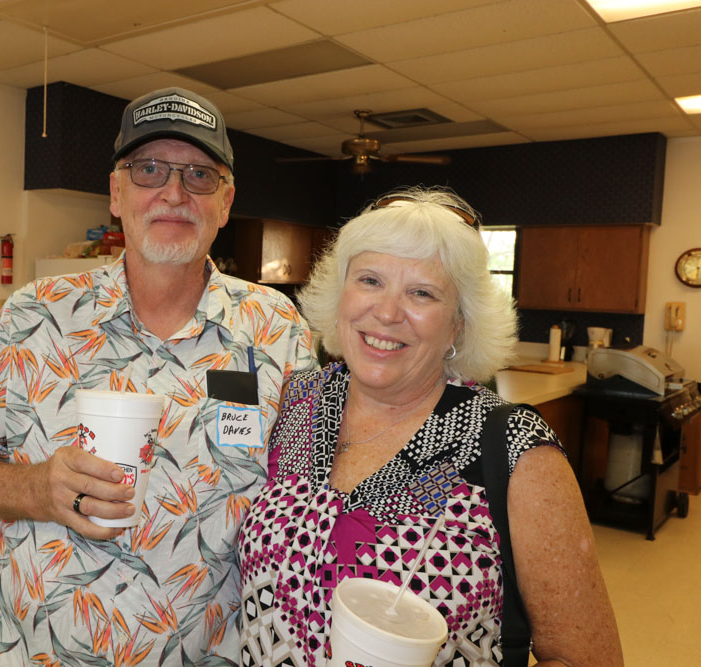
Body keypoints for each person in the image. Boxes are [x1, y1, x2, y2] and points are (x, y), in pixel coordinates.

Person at [0, 87, 318, 665]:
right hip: (39, 651)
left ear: (225, 202)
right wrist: (37, 489)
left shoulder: (276, 328)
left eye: (199, 175)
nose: (174, 193)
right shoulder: (35, 316)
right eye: (148, 169)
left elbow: (307, 494)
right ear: (116, 193)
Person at [237, 186, 622, 666]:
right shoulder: (290, 404)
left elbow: (586, 657)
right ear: (339, 295)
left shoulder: (513, 451)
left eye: (421, 292)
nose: (387, 312)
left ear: (458, 324)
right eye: (370, 280)